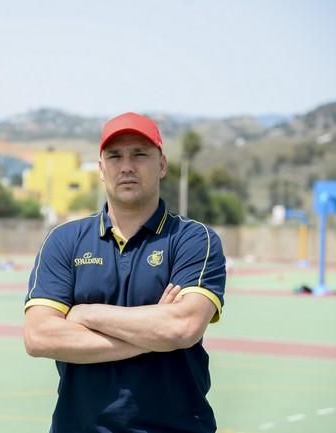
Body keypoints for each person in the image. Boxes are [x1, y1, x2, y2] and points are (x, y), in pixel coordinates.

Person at [23, 112, 227, 433]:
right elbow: (39, 336)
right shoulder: (65, 240)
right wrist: (153, 334)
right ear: (102, 169)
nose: (126, 166)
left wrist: (86, 313)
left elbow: (182, 327)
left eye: (140, 154)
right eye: (115, 156)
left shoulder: (194, 239)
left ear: (161, 165)